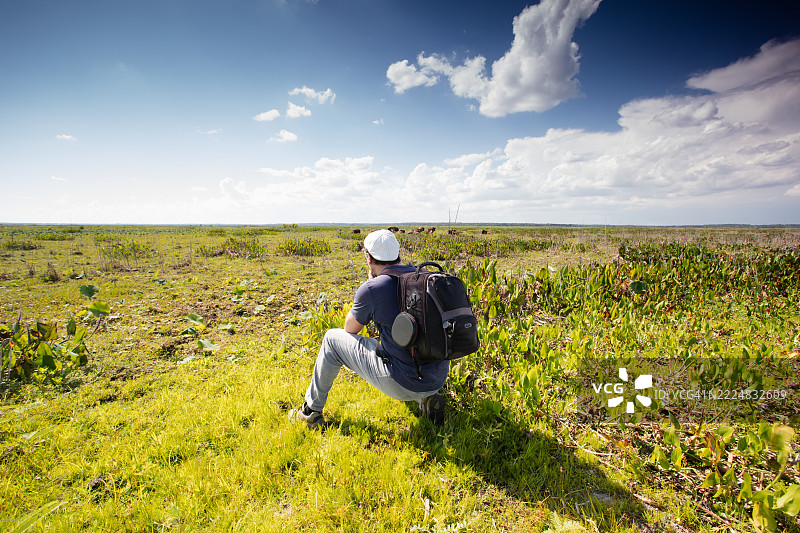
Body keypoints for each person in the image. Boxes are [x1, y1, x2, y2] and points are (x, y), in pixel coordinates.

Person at [289, 229, 449, 429]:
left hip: (403, 383)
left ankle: (310, 412)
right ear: (398, 253)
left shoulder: (373, 288)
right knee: (407, 343)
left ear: (369, 258)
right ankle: (426, 399)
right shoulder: (427, 277)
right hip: (438, 378)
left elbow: (350, 328)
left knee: (331, 339)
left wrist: (369, 284)